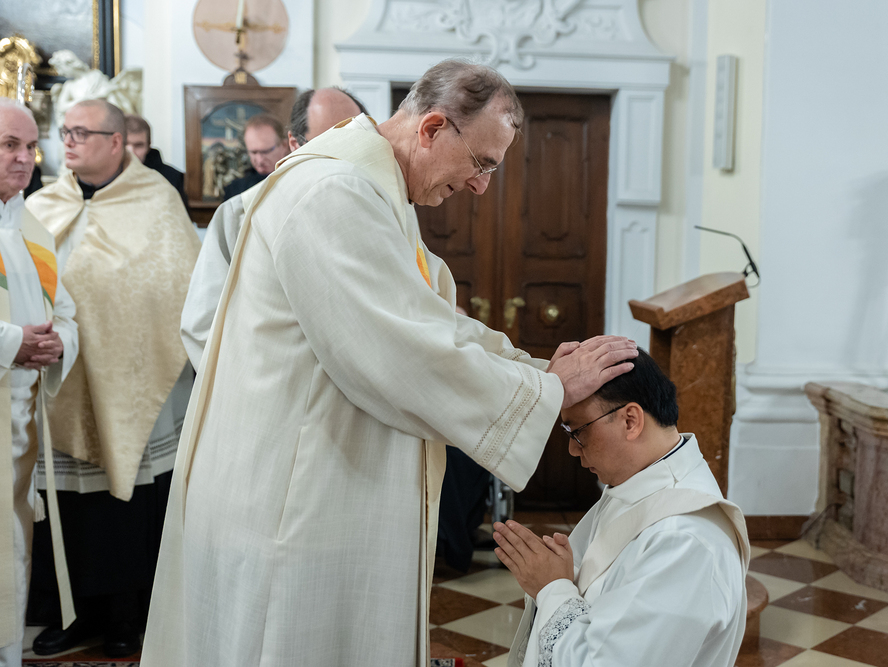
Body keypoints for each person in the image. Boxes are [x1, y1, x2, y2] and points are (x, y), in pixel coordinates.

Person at [141, 59, 638, 667]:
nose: (481, 187)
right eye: (482, 163)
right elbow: (401, 350)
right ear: (432, 128)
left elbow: (431, 320)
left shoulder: (374, 192)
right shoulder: (333, 192)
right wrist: (548, 392)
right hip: (293, 497)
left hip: (325, 477)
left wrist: (536, 373)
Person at [24, 99, 200, 658]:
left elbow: (177, 284)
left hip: (133, 380)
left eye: (81, 132)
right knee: (68, 501)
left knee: (126, 504)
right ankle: (72, 612)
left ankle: (127, 614)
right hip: (58, 378)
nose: (68, 142)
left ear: (116, 141)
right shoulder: (42, 203)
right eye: (65, 132)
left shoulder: (156, 199)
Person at [494, 349, 750, 667]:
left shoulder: (683, 539)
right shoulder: (635, 485)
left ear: (630, 420)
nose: (572, 449)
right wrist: (559, 574)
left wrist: (551, 587)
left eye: (578, 431)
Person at [181, 87, 363, 370]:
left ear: (282, 145)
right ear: (294, 142)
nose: (258, 159)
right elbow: (206, 306)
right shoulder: (237, 199)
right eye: (252, 152)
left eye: (265, 151)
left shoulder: (355, 191)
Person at [0, 98, 78, 667]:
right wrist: (13, 344)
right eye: (9, 145)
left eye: (30, 147)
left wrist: (57, 343)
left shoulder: (32, 230)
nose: (24, 158)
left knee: (13, 550)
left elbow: (64, 311)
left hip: (20, 429)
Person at [221, 113, 289, 200]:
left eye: (265, 152)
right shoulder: (235, 190)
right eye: (253, 152)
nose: (260, 161)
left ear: (284, 145)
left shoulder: (296, 180)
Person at [124, 114, 188, 207]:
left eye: (139, 145)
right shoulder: (104, 176)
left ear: (148, 146)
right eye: (125, 144)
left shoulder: (170, 178)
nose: (131, 152)